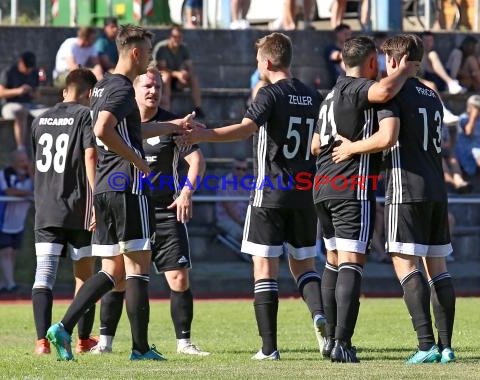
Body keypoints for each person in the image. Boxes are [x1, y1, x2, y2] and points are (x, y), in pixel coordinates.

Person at [177, 32, 326, 360]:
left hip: (270, 192)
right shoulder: (313, 94)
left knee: (264, 267)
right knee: (304, 265)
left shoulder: (268, 93)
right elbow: (319, 143)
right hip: (304, 192)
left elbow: (246, 128)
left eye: (258, 59)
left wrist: (205, 134)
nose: (256, 64)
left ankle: (269, 349)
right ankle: (320, 316)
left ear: (269, 62)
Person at [334, 34, 457, 364]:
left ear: (395, 60)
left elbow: (386, 138)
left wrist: (350, 147)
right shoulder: (432, 95)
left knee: (404, 262)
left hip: (406, 189)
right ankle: (446, 347)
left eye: (387, 57)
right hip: (436, 189)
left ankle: (425, 344)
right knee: (438, 267)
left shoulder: (394, 91)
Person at [45, 25, 163, 362]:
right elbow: (102, 129)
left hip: (106, 188)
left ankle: (64, 327)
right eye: (149, 51)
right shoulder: (125, 89)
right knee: (138, 267)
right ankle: (140, 349)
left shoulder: (102, 87)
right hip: (128, 185)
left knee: (112, 271)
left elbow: (126, 129)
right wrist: (139, 161)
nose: (150, 58)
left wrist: (172, 126)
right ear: (137, 53)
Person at [310, 35, 418, 362]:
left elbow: (314, 145)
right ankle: (342, 342)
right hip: (351, 186)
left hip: (322, 186)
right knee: (352, 262)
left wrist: (338, 141)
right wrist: (405, 68)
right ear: (372, 62)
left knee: (332, 260)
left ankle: (330, 340)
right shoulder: (360, 88)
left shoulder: (329, 96)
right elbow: (384, 92)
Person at [90, 65, 209, 356]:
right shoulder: (122, 123)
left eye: (158, 87)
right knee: (116, 277)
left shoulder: (172, 124)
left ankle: (184, 342)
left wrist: (186, 192)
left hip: (164, 210)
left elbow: (197, 162)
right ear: (134, 91)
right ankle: (105, 342)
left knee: (179, 278)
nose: (154, 92)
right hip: (128, 208)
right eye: (148, 87)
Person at [30, 68, 99, 356]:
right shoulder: (85, 116)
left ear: (64, 91)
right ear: (89, 93)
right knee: (84, 275)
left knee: (43, 275)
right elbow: (90, 155)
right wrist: (96, 200)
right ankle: (82, 340)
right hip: (77, 206)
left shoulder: (39, 119)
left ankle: (41, 343)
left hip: (46, 207)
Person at [0, 150, 33, 294]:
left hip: (17, 222)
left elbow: (40, 188)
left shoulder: (30, 175)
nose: (24, 164)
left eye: (25, 161)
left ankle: (3, 284)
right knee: (6, 252)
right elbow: (10, 192)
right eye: (20, 161)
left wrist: (32, 173)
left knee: (12, 253)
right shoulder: (5, 173)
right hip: (0, 221)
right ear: (13, 162)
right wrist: (29, 194)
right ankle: (11, 284)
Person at [0, 51, 48, 151]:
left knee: (50, 112)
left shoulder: (34, 72)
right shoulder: (9, 71)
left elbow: (37, 95)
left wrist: (32, 93)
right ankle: (21, 149)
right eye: (26, 67)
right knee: (21, 111)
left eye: (30, 68)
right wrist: (18, 91)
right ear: (20, 62)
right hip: (10, 105)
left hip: (30, 105)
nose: (28, 70)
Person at [153, 26, 203, 115]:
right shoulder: (162, 48)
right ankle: (166, 110)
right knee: (166, 76)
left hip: (177, 79)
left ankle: (198, 108)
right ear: (169, 37)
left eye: (180, 37)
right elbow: (161, 68)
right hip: (161, 79)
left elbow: (190, 66)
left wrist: (186, 74)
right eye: (175, 37)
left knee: (193, 78)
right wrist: (177, 74)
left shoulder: (184, 48)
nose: (177, 39)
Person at [215, 156, 250, 242]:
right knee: (245, 235)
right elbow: (229, 209)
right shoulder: (224, 183)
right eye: (238, 168)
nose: (241, 171)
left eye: (244, 169)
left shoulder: (247, 183)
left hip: (243, 219)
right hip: (226, 219)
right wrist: (243, 223)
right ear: (233, 169)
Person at [441, 123, 471, 193]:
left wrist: (445, 145)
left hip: (444, 149)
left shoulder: (443, 125)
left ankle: (458, 180)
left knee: (453, 159)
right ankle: (452, 182)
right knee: (439, 159)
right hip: (432, 151)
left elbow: (448, 141)